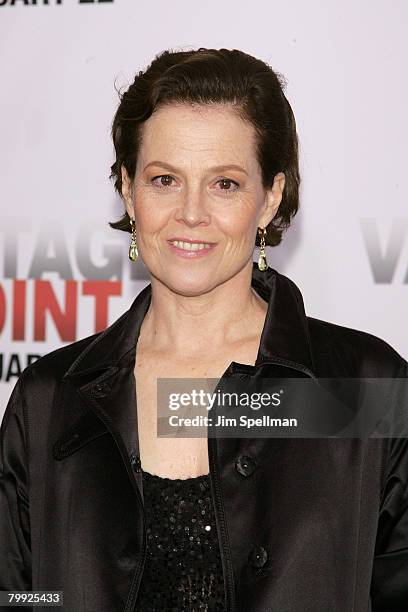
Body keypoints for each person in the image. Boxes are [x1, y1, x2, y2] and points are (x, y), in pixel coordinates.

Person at [0, 47, 407, 612]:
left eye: (225, 184)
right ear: (127, 189)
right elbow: (23, 599)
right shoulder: (48, 400)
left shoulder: (362, 389)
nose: (191, 213)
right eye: (165, 179)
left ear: (270, 198)